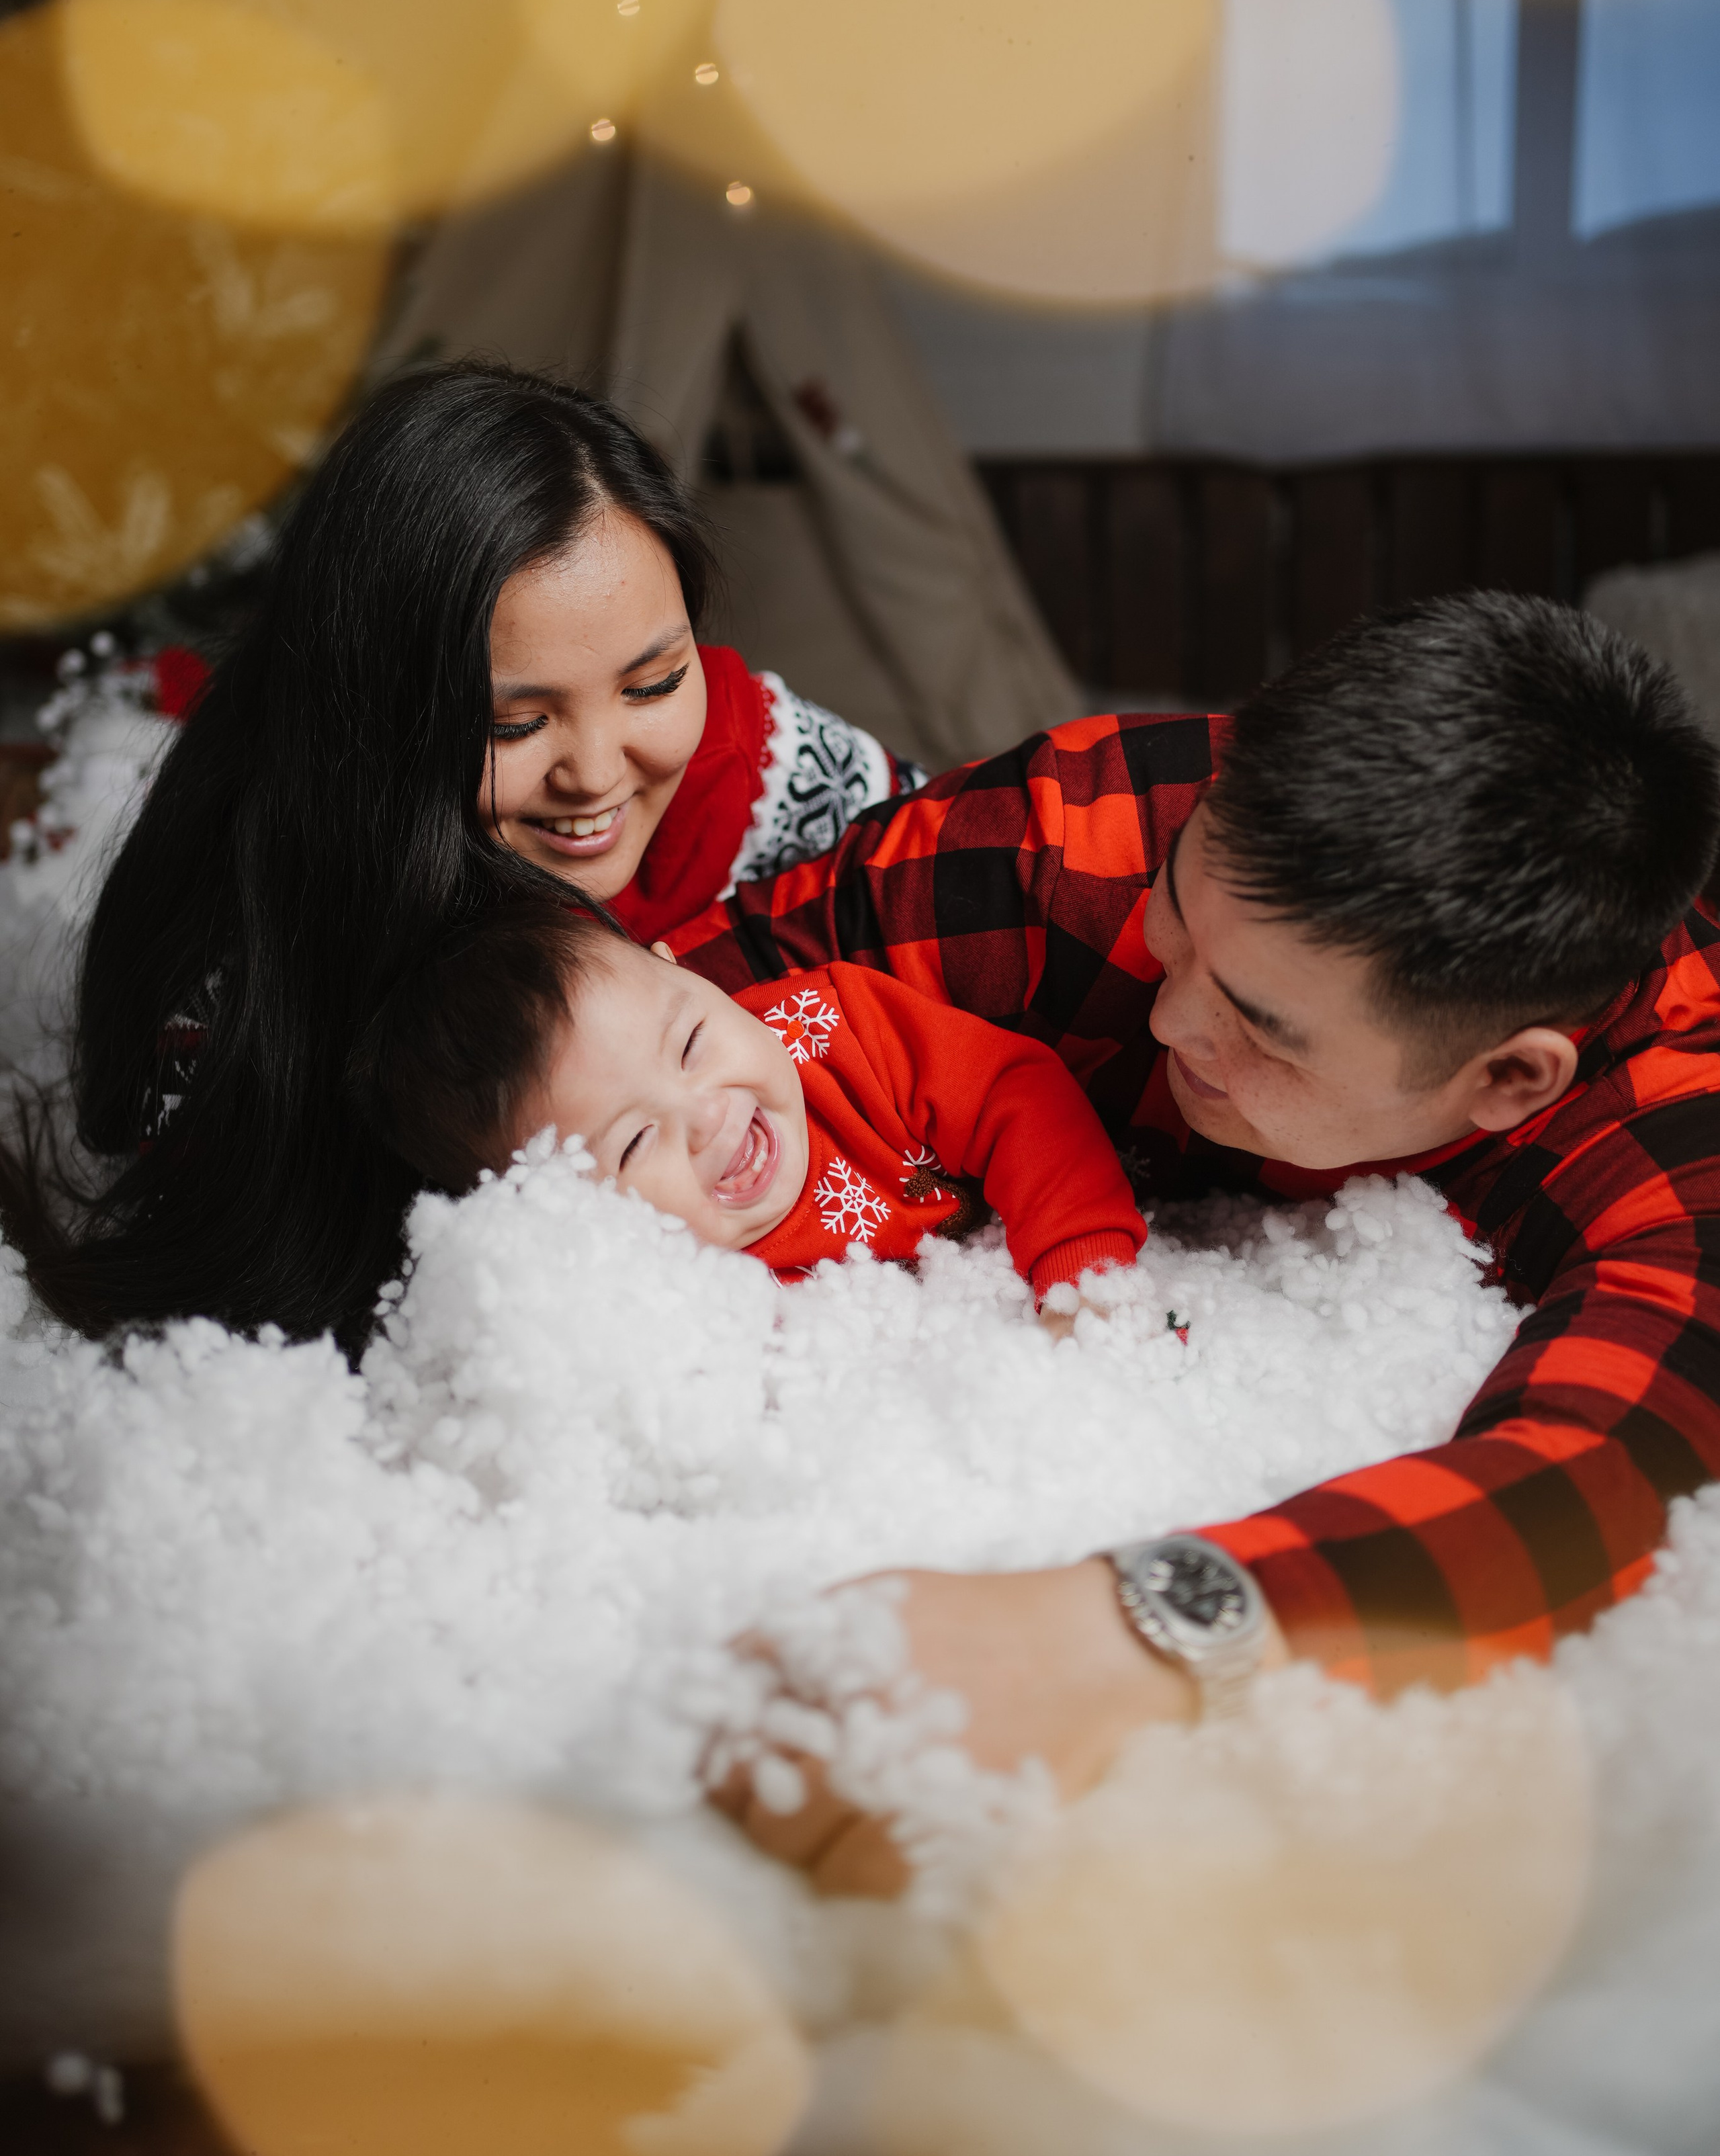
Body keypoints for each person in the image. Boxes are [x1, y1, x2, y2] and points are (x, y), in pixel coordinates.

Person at [664, 593, 1720, 1891]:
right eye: (1178, 915)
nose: (1170, 1019)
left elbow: (1598, 1471)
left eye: (1263, 1028)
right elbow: (666, 1009)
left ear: (1509, 1081)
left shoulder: (1678, 1124)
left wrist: (1128, 1641)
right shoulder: (1093, 825)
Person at [2, 364, 917, 1346]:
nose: (599, 774)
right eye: (516, 724)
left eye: (653, 683)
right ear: (379, 722)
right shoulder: (248, 952)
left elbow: (975, 883)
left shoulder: (752, 757)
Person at [347, 896, 1145, 1306]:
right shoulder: (665, 1288)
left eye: (692, 1043)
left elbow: (1021, 1101)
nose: (705, 1115)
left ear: (689, 973)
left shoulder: (836, 1030)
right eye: (631, 1144)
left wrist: (1084, 1279)